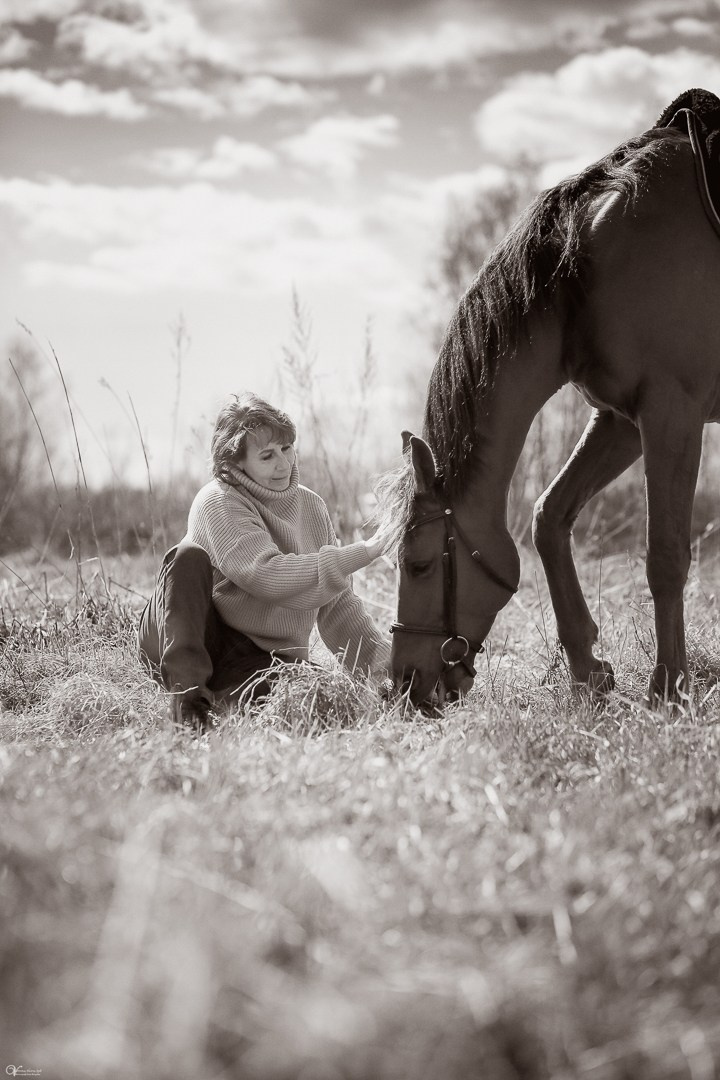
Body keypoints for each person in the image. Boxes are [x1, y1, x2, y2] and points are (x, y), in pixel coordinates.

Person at [138, 392, 392, 728]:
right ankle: (190, 708)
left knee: (324, 701)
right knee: (188, 557)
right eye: (267, 456)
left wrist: (387, 667)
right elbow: (266, 575)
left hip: (260, 658)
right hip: (197, 638)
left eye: (287, 449)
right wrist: (365, 551)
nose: (284, 464)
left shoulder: (312, 507)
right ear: (235, 462)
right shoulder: (217, 501)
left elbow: (339, 605)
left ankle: (231, 696)